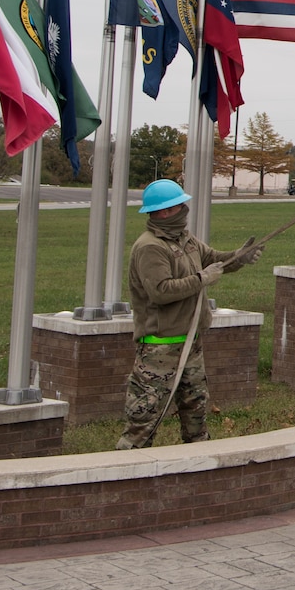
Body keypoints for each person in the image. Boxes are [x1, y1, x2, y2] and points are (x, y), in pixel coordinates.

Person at [114, 180, 264, 450]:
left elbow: (212, 259)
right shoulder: (150, 247)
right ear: (163, 212)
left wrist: (239, 257)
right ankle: (127, 470)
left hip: (190, 342)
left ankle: (197, 463)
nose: (185, 209)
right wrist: (201, 279)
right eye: (179, 206)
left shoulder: (185, 239)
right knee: (143, 419)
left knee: (196, 411)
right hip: (160, 348)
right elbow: (160, 291)